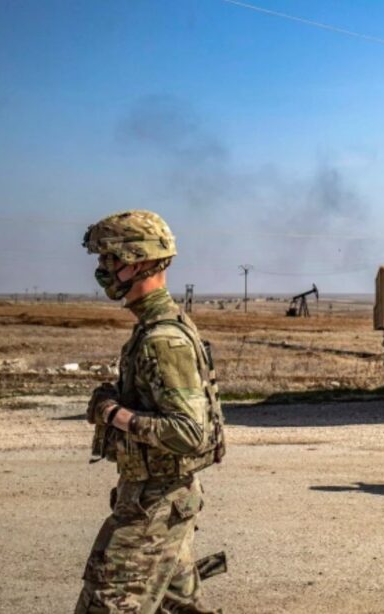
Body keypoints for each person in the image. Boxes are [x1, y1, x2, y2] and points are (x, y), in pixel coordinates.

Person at [77, 210, 226, 613]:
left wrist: (111, 413)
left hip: (154, 504)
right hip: (159, 497)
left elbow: (189, 432)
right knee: (178, 607)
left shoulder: (163, 337)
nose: (103, 269)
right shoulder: (157, 325)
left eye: (111, 259)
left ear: (139, 261)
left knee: (105, 604)